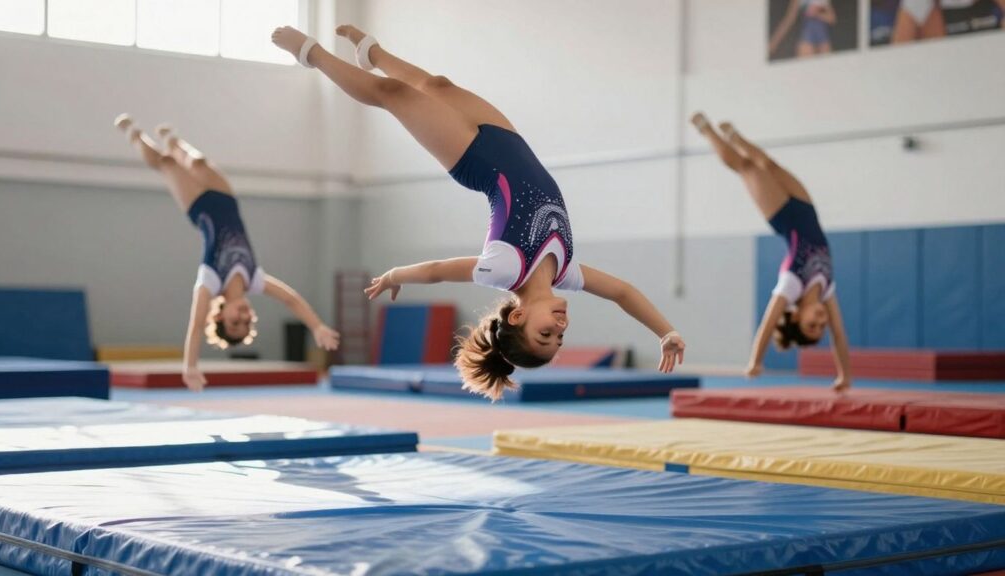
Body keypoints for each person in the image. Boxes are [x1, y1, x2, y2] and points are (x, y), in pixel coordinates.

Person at [270, 25, 685, 401]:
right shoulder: (567, 272)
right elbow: (623, 292)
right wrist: (665, 331)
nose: (560, 328)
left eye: (545, 334)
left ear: (519, 316)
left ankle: (311, 55)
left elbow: (436, 270)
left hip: (472, 160)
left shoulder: (504, 271)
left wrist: (396, 275)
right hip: (508, 141)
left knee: (394, 96)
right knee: (437, 84)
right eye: (559, 338)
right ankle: (373, 55)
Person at [113, 114, 340, 391]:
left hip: (199, 208)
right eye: (247, 322)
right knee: (198, 162)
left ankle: (134, 135)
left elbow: (195, 327)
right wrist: (317, 327)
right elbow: (291, 299)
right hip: (226, 200)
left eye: (235, 322)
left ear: (220, 316)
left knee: (167, 163)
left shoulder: (210, 280)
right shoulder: (254, 278)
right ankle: (173, 140)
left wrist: (191, 366)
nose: (243, 316)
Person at [691, 112, 851, 392]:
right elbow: (839, 335)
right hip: (806, 209)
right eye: (820, 327)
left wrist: (755, 361)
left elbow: (767, 323)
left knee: (747, 167)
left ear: (797, 317)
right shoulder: (827, 289)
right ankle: (735, 136)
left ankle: (707, 131)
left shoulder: (792, 284)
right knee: (769, 164)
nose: (821, 323)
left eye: (812, 326)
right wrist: (844, 376)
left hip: (783, 217)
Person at [769, 0, 838, 58]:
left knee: (826, 70)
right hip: (807, 37)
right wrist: (774, 42)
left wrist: (817, 13)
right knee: (805, 70)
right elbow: (789, 20)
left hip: (823, 39)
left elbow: (832, 19)